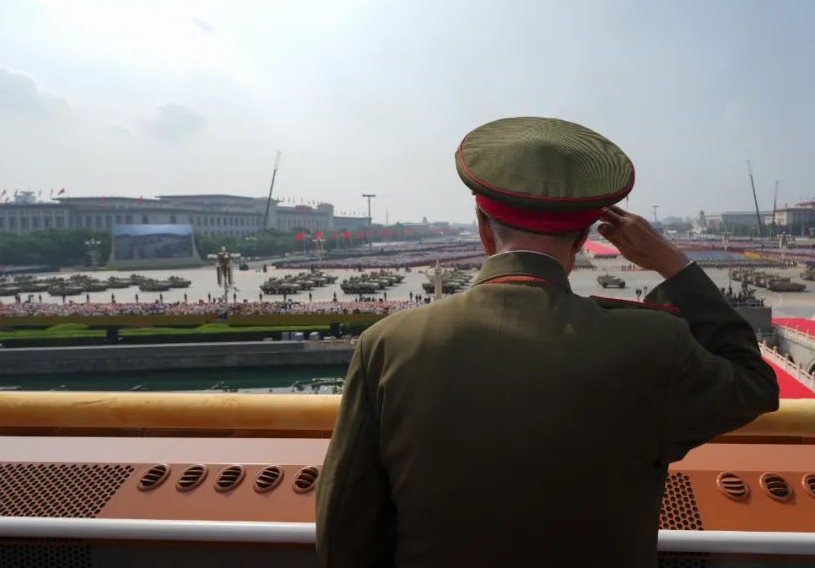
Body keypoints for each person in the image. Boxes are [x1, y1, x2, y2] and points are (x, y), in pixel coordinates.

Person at [316, 116, 779, 568]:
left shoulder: (386, 345)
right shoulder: (653, 344)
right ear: (582, 238)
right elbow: (754, 384)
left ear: (483, 227)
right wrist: (672, 263)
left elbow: (343, 531)